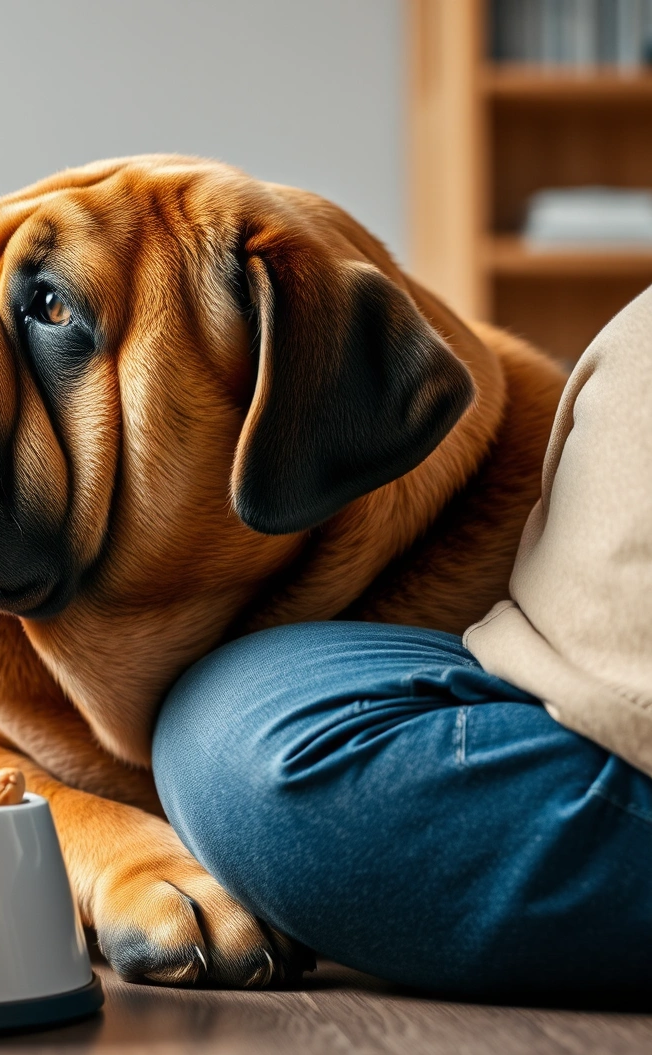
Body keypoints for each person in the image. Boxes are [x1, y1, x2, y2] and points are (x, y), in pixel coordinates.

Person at [153, 287, 652, 997]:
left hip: (605, 715)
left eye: (53, 311)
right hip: (537, 655)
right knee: (227, 717)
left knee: (264, 764)